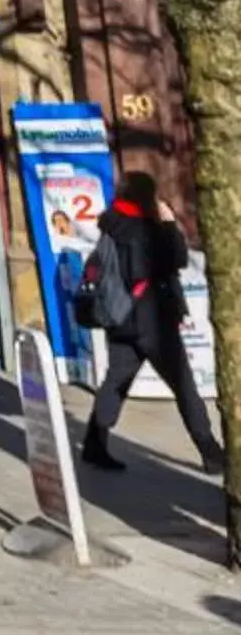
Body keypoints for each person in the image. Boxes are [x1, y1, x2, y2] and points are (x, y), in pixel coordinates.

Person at [81, 169, 223, 475]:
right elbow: (176, 258)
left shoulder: (112, 224)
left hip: (121, 318)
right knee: (184, 385)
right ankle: (210, 451)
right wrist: (170, 224)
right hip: (152, 320)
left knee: (115, 382)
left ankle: (94, 443)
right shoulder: (144, 228)